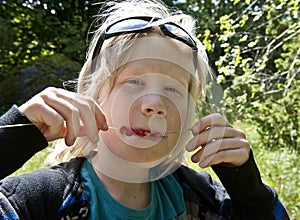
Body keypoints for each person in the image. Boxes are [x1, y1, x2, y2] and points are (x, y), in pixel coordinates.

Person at [0, 0, 289, 219]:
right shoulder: (39, 199)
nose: (155, 105)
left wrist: (247, 188)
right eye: (134, 81)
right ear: (92, 93)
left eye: (174, 89)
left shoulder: (203, 196)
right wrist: (11, 137)